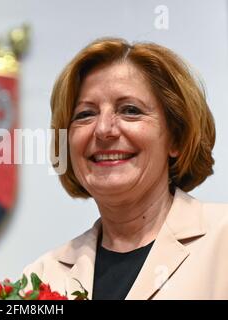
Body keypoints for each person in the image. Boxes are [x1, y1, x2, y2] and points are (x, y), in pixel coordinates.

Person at [23, 38, 228, 299]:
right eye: (85, 114)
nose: (103, 129)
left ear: (176, 138)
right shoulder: (42, 277)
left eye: (130, 110)